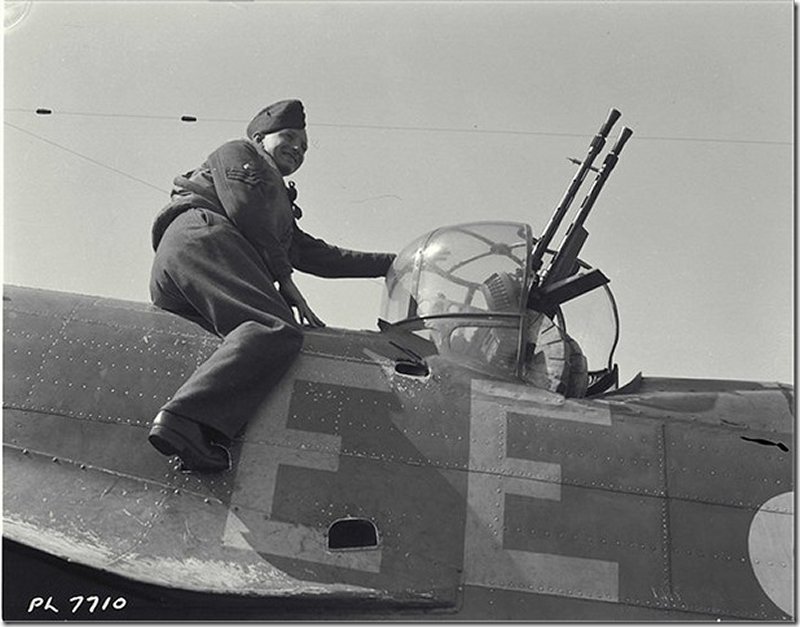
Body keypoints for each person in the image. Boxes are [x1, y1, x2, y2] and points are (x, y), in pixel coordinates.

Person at [147, 99, 395, 472]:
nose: (297, 148)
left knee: (232, 338)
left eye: (304, 147)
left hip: (189, 256)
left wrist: (392, 264)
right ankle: (185, 422)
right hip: (204, 238)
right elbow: (243, 206)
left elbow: (313, 254)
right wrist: (284, 280)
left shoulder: (275, 203)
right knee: (273, 329)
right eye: (289, 137)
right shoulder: (240, 153)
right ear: (261, 137)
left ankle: (193, 425)